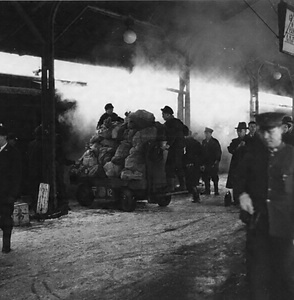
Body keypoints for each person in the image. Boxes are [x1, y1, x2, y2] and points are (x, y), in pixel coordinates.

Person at [235, 112, 294, 300]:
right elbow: (239, 179)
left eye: (272, 131)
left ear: (282, 130)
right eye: (263, 132)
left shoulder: (292, 155)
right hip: (258, 224)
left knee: (285, 276)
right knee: (256, 277)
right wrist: (242, 194)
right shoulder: (253, 155)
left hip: (285, 227)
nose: (266, 136)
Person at [0, 125, 22, 253]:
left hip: (6, 193)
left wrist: (12, 194)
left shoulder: (13, 153)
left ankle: (6, 246)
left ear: (3, 137)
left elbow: (16, 176)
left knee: (6, 220)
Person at [161, 105, 186, 191]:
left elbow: (172, 135)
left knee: (169, 167)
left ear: (168, 114)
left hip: (174, 148)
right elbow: (186, 130)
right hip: (180, 148)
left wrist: (168, 145)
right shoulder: (178, 122)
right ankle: (183, 185)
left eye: (163, 114)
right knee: (179, 166)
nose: (162, 116)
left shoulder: (169, 123)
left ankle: (170, 187)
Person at [226, 122, 248, 205]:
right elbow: (230, 149)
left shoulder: (249, 140)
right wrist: (238, 146)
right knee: (235, 183)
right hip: (236, 166)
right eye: (238, 131)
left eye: (240, 130)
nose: (239, 132)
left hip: (246, 166)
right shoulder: (235, 141)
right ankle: (236, 200)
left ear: (245, 131)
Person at [183, 126, 202, 203]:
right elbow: (201, 154)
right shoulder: (197, 143)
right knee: (194, 181)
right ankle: (196, 196)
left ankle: (195, 196)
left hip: (189, 164)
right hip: (196, 164)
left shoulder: (185, 142)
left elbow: (185, 154)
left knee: (190, 181)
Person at [201, 127, 222, 195]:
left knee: (214, 177)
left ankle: (216, 190)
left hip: (213, 162)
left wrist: (217, 160)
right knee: (206, 177)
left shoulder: (215, 142)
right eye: (206, 133)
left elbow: (218, 152)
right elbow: (202, 152)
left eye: (208, 133)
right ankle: (207, 190)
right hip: (206, 162)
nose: (206, 135)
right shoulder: (204, 142)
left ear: (210, 134)